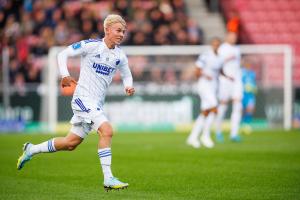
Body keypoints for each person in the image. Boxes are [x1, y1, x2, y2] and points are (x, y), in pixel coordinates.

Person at [17, 14, 135, 191]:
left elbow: (126, 73)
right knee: (107, 130)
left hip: (96, 103)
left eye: (123, 32)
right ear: (107, 29)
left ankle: (31, 149)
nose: (121, 34)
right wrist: (65, 75)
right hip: (82, 99)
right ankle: (108, 178)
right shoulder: (91, 46)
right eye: (118, 30)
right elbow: (63, 54)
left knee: (70, 143)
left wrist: (128, 86)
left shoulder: (119, 55)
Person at [186, 37, 227, 148]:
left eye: (218, 44)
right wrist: (205, 75)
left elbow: (220, 71)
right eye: (214, 44)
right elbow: (197, 71)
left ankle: (193, 137)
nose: (216, 46)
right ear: (211, 45)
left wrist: (229, 77)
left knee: (205, 111)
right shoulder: (205, 55)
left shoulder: (220, 57)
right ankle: (205, 135)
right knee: (214, 107)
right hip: (204, 86)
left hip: (214, 87)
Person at [215, 32, 243, 143]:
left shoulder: (237, 49)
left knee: (238, 106)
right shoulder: (222, 49)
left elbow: (238, 64)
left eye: (235, 37)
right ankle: (218, 131)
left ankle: (234, 133)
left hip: (236, 81)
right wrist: (227, 59)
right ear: (227, 37)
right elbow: (218, 63)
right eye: (232, 37)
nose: (234, 38)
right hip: (225, 81)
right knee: (223, 106)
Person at [241, 59, 257, 134]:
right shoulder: (241, 73)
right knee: (242, 110)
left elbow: (254, 83)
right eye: (246, 64)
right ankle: (242, 124)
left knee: (250, 109)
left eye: (249, 64)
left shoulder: (252, 73)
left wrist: (254, 88)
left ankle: (247, 124)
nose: (248, 66)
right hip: (243, 94)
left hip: (250, 95)